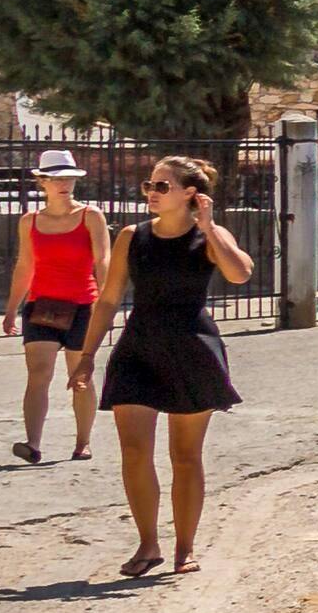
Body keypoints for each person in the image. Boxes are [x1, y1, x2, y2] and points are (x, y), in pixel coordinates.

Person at [92, 154, 250, 577]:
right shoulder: (131, 236)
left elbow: (239, 274)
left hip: (191, 349)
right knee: (134, 451)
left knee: (184, 455)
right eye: (149, 185)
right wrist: (87, 356)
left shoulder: (209, 238)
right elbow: (108, 297)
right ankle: (147, 544)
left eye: (162, 186)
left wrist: (210, 227)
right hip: (138, 348)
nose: (151, 192)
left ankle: (185, 548)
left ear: (189, 195)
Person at [7, 149, 103, 466]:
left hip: (82, 303)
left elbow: (104, 260)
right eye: (56, 179)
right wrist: (10, 309)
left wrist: (106, 302)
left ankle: (83, 442)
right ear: (43, 182)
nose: (64, 184)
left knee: (80, 376)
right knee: (39, 373)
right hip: (42, 304)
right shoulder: (30, 221)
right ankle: (33, 443)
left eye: (69, 178)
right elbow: (25, 265)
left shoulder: (90, 216)